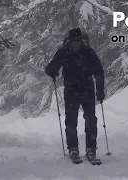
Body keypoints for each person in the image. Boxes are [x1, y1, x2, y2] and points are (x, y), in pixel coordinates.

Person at [45, 28, 105, 165]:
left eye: (78, 40)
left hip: (87, 88)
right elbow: (51, 67)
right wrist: (52, 71)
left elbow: (98, 71)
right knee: (71, 120)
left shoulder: (88, 52)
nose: (76, 43)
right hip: (71, 90)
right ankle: (73, 148)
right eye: (74, 41)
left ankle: (91, 149)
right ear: (69, 41)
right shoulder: (63, 52)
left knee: (91, 119)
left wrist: (100, 90)